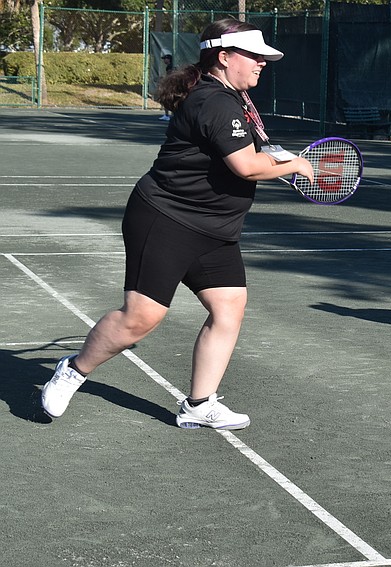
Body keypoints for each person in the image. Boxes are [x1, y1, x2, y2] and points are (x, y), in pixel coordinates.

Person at [41, 19, 314, 429]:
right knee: (139, 319)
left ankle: (199, 405)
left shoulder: (236, 98)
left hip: (213, 228)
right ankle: (74, 370)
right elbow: (245, 166)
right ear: (224, 58)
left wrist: (281, 158)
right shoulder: (215, 102)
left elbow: (256, 150)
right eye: (254, 56)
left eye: (264, 57)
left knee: (228, 308)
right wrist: (294, 165)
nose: (262, 63)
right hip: (166, 220)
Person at [158, 50, 174, 121]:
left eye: (165, 59)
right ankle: (167, 115)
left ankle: (167, 115)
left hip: (170, 86)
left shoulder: (170, 67)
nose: (164, 60)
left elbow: (169, 76)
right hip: (170, 85)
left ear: (168, 59)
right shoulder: (169, 66)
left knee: (166, 99)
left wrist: (163, 79)